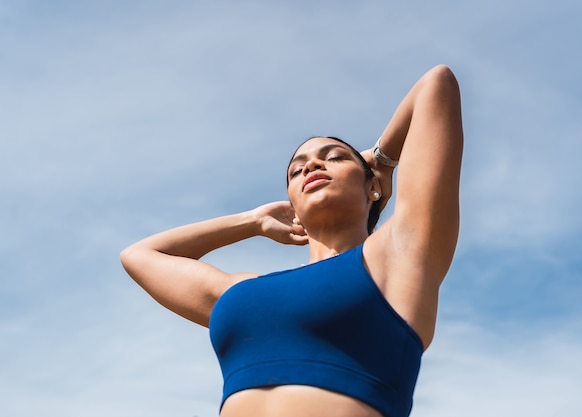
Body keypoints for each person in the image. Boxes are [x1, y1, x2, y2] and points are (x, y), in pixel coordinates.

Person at [120, 64, 463, 417]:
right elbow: (140, 255)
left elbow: (435, 85)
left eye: (334, 157)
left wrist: (379, 161)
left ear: (373, 186)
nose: (312, 166)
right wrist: (251, 221)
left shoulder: (398, 254)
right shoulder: (241, 291)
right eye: (297, 169)